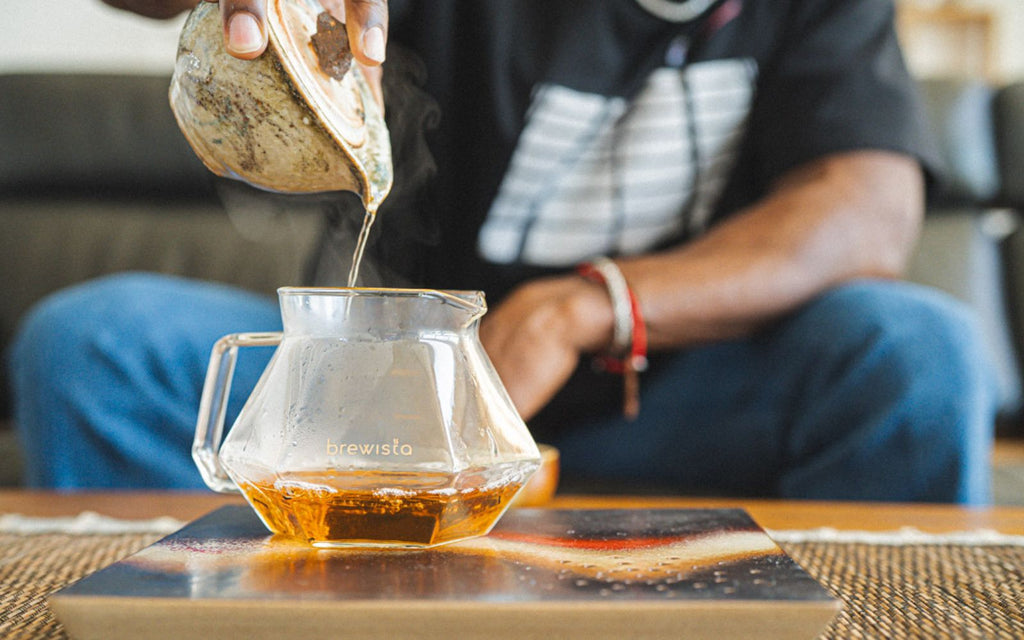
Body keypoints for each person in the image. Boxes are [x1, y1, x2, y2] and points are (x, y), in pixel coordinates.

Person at [9, 0, 997, 502]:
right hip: (383, 407)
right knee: (91, 345)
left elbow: (866, 209)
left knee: (916, 354)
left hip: (673, 402)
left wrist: (582, 306)